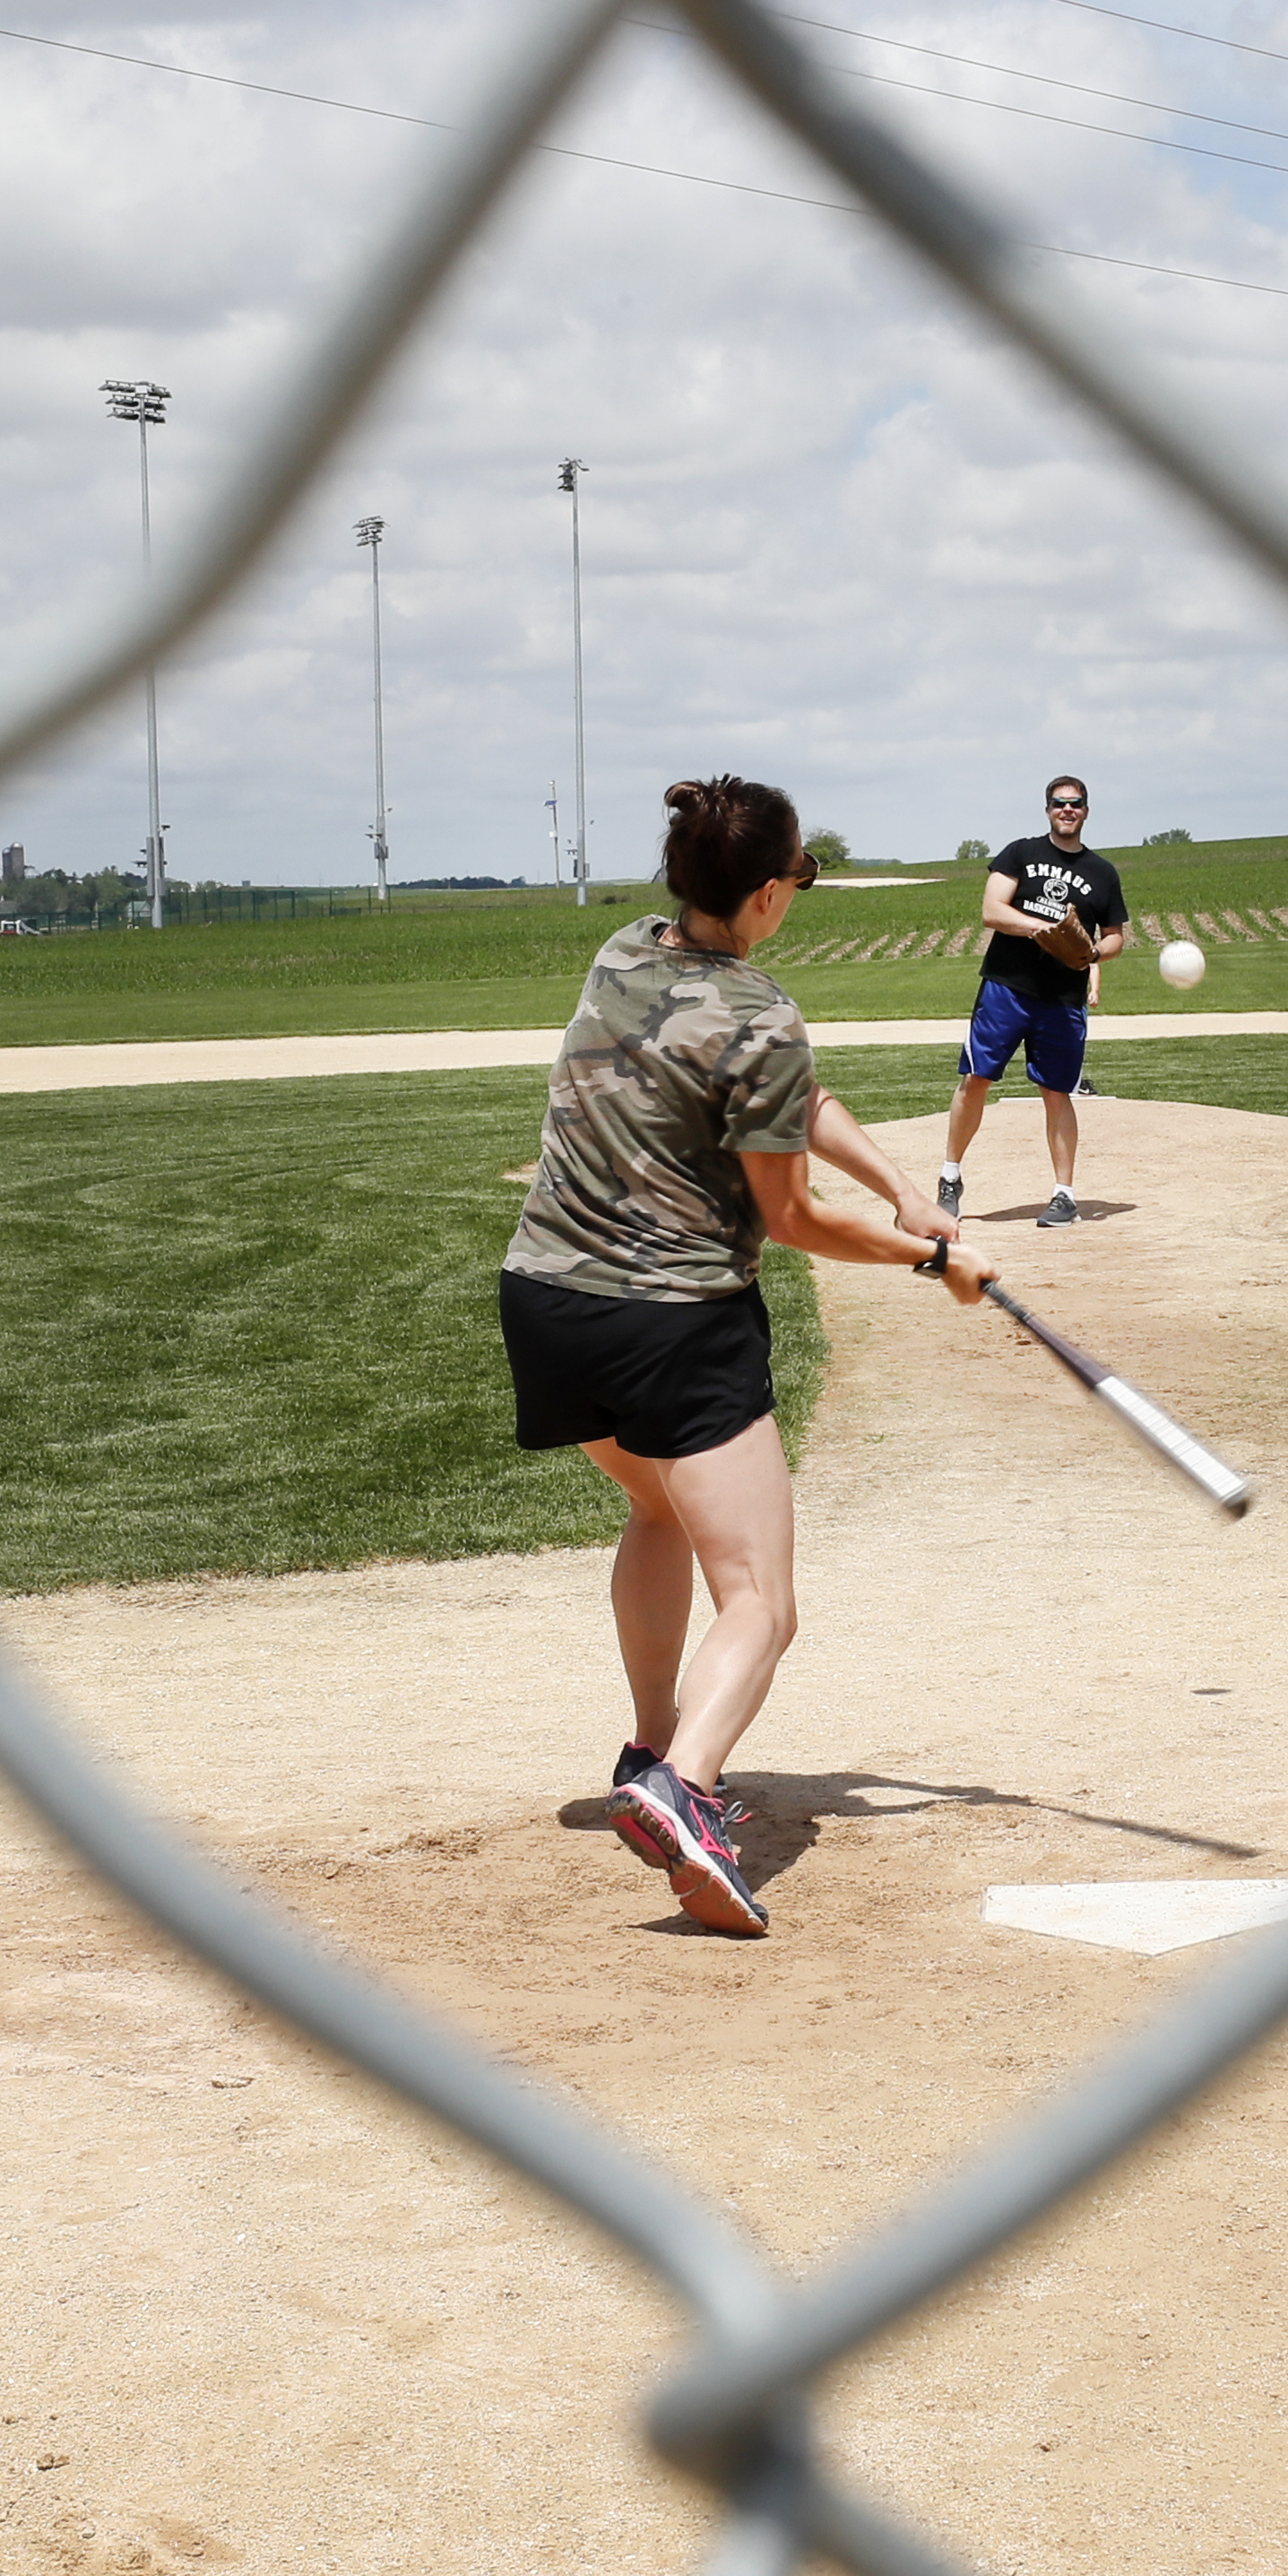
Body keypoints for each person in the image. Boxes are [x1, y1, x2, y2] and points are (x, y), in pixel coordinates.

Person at [502, 775, 985, 1939]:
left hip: (547, 1304)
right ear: (767, 893)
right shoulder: (760, 1012)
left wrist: (904, 1188)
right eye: (790, 890)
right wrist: (933, 1262)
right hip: (673, 1324)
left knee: (660, 1510)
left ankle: (651, 1743)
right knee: (761, 1601)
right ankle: (688, 1787)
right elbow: (791, 1219)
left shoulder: (626, 952)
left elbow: (792, 1097)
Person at [937, 774, 1130, 1227]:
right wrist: (1043, 930)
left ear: (1086, 810)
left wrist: (1092, 953)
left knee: (1057, 1091)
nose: (1068, 809)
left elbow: (1116, 935)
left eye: (1076, 803)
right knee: (976, 1079)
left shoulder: (1103, 873)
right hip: (1007, 987)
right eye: (1059, 803)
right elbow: (992, 910)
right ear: (1047, 809)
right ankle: (950, 1178)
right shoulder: (1022, 852)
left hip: (1063, 998)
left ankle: (1064, 1196)